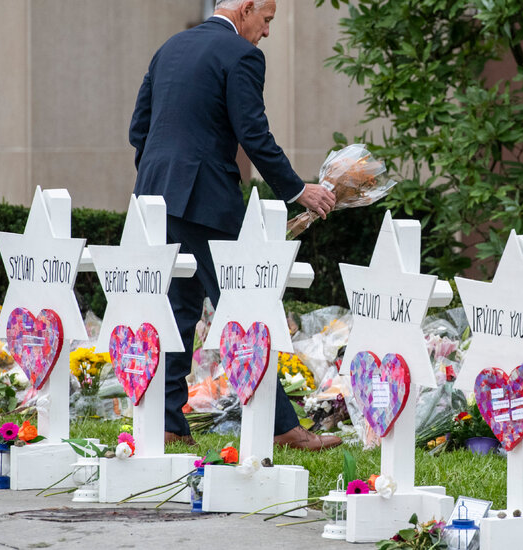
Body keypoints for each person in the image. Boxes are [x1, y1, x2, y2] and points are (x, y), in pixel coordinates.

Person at [129, 0, 340, 451]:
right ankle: (281, 427)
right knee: (245, 306)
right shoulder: (242, 55)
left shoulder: (171, 47)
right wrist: (296, 189)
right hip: (203, 198)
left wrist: (157, 176)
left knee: (176, 310)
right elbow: (253, 132)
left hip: (153, 196)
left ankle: (167, 424)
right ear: (246, 9)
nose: (267, 32)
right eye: (267, 20)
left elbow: (139, 128)